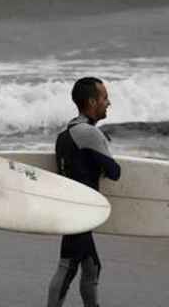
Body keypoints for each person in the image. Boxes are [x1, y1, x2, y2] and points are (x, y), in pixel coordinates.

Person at [47, 77, 121, 307]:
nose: (108, 103)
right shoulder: (89, 133)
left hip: (73, 207)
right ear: (91, 101)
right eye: (104, 98)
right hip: (80, 210)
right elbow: (114, 171)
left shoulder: (65, 135)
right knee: (67, 266)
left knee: (91, 266)